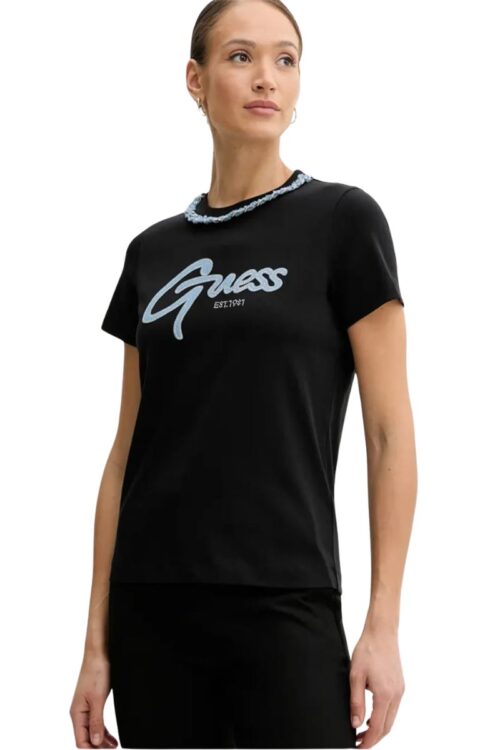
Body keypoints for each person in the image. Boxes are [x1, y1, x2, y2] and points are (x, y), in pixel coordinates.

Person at [69, 1, 417, 748]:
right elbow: (126, 454)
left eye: (285, 59)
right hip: (153, 610)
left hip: (286, 600)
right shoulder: (152, 253)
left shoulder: (344, 222)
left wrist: (383, 624)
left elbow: (388, 433)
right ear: (195, 80)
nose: (267, 77)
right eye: (240, 56)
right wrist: (96, 644)